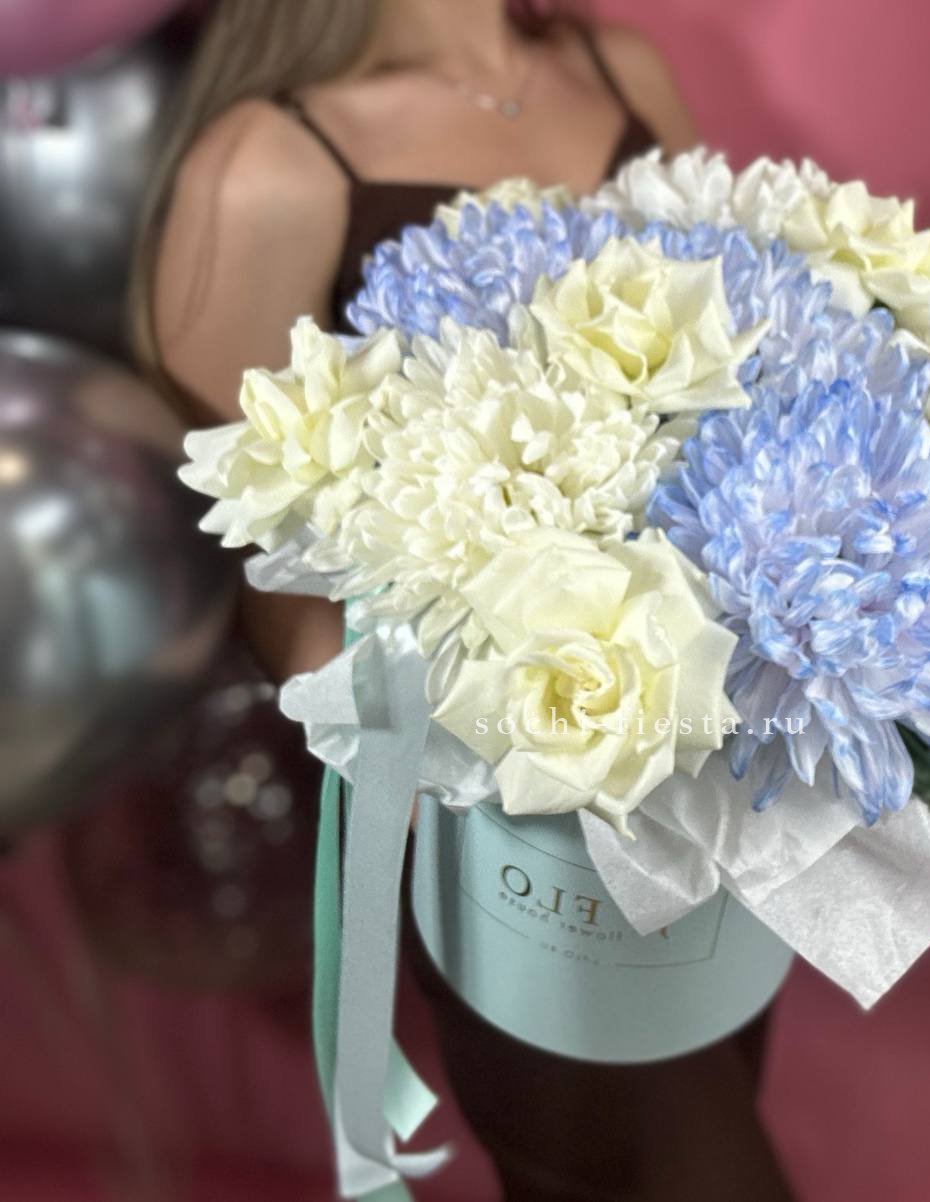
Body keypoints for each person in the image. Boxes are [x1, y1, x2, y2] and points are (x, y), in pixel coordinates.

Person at [131, 3, 794, 1199]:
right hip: (502, 818)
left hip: (716, 778)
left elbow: (758, 385)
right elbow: (242, 554)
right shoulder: (268, 163)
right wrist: (477, 750)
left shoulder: (620, 72)